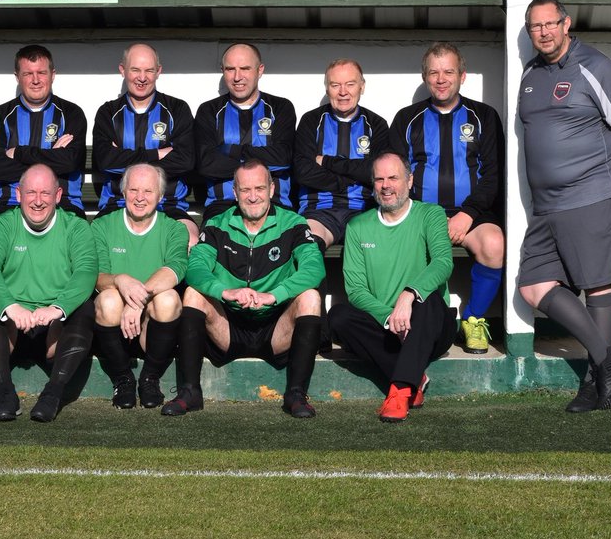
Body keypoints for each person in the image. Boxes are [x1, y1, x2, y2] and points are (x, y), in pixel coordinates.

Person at [517, 0, 611, 412]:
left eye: (550, 23)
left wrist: (609, 172)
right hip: (546, 206)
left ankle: (593, 385)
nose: (543, 32)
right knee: (533, 286)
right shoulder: (530, 73)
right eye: (535, 26)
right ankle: (608, 360)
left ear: (566, 24)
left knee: (597, 286)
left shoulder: (596, 66)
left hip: (592, 195)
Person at [169, 160, 325, 418]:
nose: (253, 197)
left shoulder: (294, 223)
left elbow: (314, 269)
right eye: (245, 190)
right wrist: (225, 292)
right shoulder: (217, 224)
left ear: (271, 189)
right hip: (228, 325)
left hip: (275, 327)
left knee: (310, 297)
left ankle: (296, 394)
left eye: (260, 188)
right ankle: (190, 392)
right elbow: (195, 268)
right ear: (235, 192)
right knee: (193, 293)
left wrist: (274, 296)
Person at [390, 42, 505, 354]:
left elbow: (493, 175)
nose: (441, 79)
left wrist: (467, 214)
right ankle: (417, 322)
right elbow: (397, 175)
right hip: (422, 213)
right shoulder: (407, 118)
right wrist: (430, 216)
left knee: (494, 244)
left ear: (462, 76)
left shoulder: (484, 116)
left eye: (448, 72)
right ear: (425, 77)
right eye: (434, 73)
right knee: (403, 250)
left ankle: (473, 320)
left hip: (472, 213)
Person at [332, 151, 457, 423]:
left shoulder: (430, 214)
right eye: (379, 179)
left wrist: (408, 295)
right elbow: (356, 290)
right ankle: (415, 379)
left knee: (429, 300)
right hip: (388, 330)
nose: (386, 186)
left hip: (429, 328)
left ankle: (400, 390)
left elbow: (443, 263)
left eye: (393, 178)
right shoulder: (358, 226)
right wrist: (390, 319)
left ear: (409, 181)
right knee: (338, 317)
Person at [0, 164, 98, 422]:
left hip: (53, 327)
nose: (38, 201)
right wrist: (11, 306)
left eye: (45, 193)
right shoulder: (2, 224)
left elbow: (86, 273)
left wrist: (57, 309)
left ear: (58, 195)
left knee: (85, 303)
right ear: (19, 194)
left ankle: (53, 393)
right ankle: (5, 394)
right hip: (13, 325)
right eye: (31, 192)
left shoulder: (76, 227)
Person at [91, 163, 188, 409]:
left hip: (150, 324)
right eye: (133, 190)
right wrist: (119, 279)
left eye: (148, 191)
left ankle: (149, 378)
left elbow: (174, 270)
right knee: (107, 299)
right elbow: (96, 276)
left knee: (169, 299)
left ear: (161, 195)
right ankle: (123, 379)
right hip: (115, 321)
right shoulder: (101, 226)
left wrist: (137, 302)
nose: (140, 197)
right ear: (123, 192)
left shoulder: (175, 229)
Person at [93, 43, 198, 245]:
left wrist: (123, 157)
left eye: (149, 70)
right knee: (94, 243)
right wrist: (156, 154)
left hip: (168, 204)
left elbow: (185, 161)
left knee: (190, 240)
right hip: (118, 203)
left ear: (158, 71)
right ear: (123, 70)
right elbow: (106, 161)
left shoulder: (177, 109)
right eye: (135, 70)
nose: (142, 78)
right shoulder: (108, 113)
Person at [0, 44, 87, 223]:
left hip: (63, 204)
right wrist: (52, 157)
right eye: (28, 74)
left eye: (42, 73)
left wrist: (18, 153)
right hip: (8, 204)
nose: (36, 80)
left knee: (77, 232)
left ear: (53, 75)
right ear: (17, 77)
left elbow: (69, 162)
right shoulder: (0, 116)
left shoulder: (71, 113)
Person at [294, 59, 390, 251]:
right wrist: (348, 179)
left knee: (373, 248)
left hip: (363, 210)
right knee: (309, 246)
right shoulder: (311, 121)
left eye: (350, 84)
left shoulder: (377, 124)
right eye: (335, 85)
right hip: (319, 211)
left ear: (362, 87)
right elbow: (303, 172)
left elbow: (376, 172)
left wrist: (327, 162)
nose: (343, 92)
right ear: (327, 89)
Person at [195, 43, 297, 221]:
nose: (237, 77)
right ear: (222, 71)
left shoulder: (280, 108)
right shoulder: (209, 111)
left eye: (245, 68)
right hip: (221, 206)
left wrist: (230, 149)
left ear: (260, 70)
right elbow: (206, 164)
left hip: (275, 204)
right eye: (230, 69)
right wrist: (262, 157)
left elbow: (283, 157)